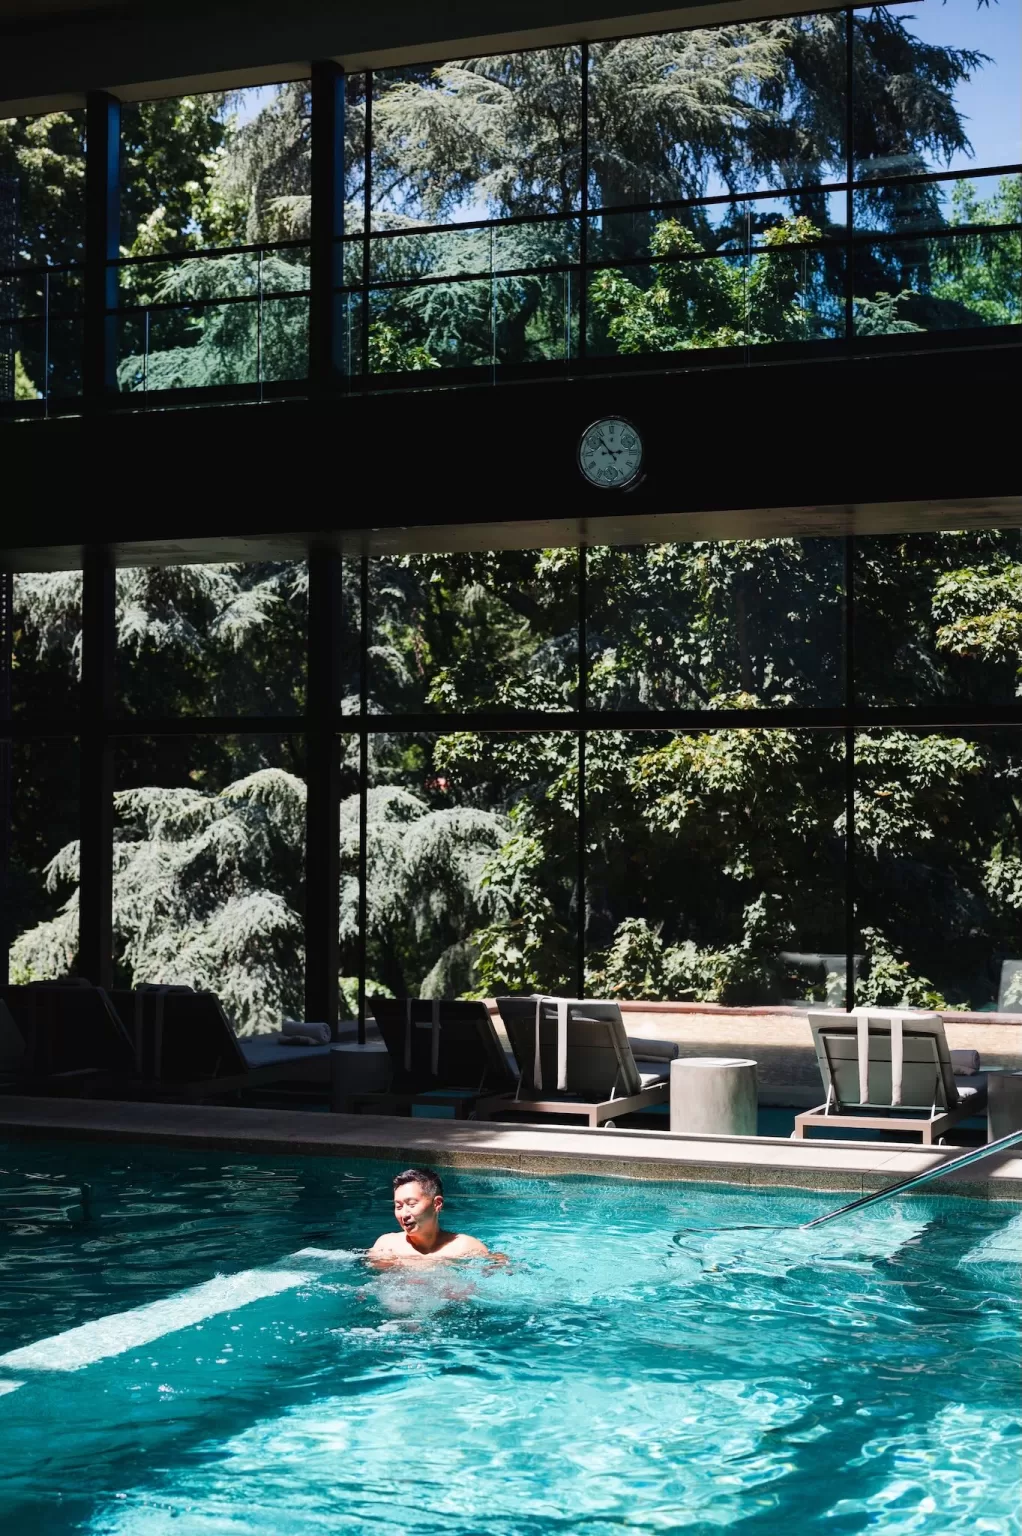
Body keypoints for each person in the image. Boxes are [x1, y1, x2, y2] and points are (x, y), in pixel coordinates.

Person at [367, 1166, 494, 1266]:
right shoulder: (387, 1246)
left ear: (437, 1204)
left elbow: (499, 1267)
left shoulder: (465, 1248)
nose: (404, 1214)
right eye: (398, 1206)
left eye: (411, 1204)